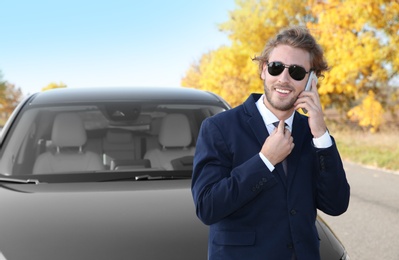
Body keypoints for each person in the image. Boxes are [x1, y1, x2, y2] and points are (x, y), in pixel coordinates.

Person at [191, 26, 350, 260]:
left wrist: (321, 135)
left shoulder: (313, 134)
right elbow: (208, 207)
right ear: (264, 70)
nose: (284, 79)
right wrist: (265, 161)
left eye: (296, 72)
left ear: (310, 80)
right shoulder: (219, 128)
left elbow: (336, 204)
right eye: (276, 68)